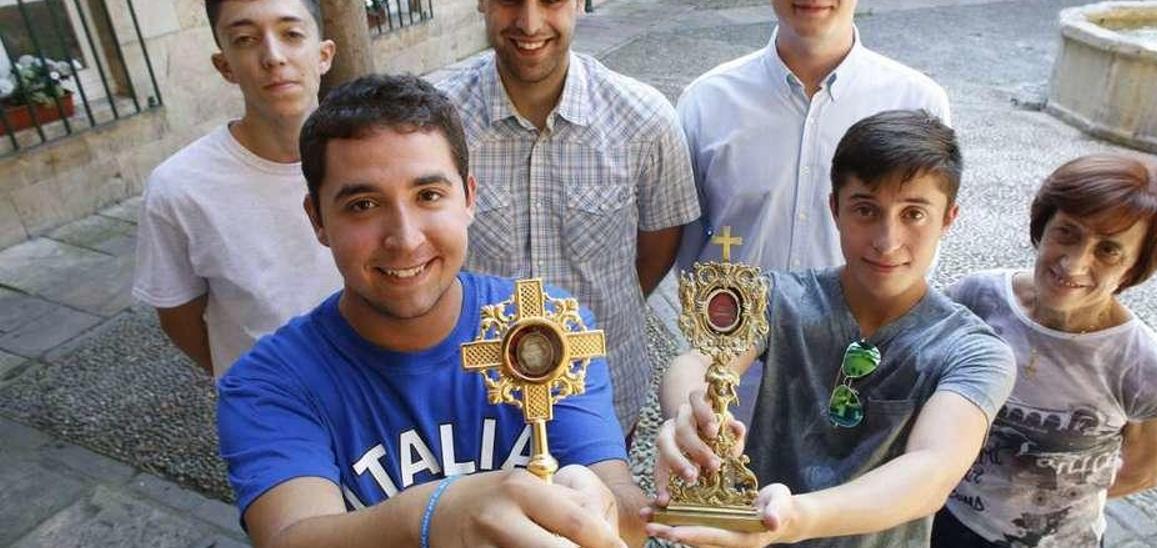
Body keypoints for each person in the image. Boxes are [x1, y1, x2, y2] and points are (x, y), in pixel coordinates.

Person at [216, 74, 646, 547]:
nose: (405, 238)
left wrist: (615, 504)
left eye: (428, 196)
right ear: (317, 219)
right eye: (362, 204)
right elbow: (292, 538)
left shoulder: (545, 328)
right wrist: (431, 517)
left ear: (469, 197)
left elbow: (621, 501)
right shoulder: (271, 382)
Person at [648, 110, 1015, 547]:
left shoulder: (972, 351)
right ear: (834, 208)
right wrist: (689, 414)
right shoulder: (780, 297)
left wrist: (795, 518)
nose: (886, 240)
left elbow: (932, 468)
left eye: (913, 214)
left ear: (948, 219)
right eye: (866, 209)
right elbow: (700, 358)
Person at [436, 0, 700, 432]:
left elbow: (658, 247)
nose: (529, 22)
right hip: (476, 397)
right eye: (508, 0)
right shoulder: (436, 124)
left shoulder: (645, 121)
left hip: (605, 392)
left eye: (552, 0)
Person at [933, 154, 1157, 548]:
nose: (1073, 264)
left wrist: (1052, 506)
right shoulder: (977, 298)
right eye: (1067, 233)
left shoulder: (1146, 369)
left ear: (1135, 266)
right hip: (945, 519)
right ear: (1043, 227)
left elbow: (1145, 471)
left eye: (1108, 250)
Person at [133, 0, 341, 376]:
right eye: (245, 39)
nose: (273, 57)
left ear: (323, 54)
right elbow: (177, 311)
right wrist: (247, 380)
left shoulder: (370, 159)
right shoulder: (180, 188)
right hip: (272, 406)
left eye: (291, 34)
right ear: (224, 64)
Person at [676, 0, 950, 272]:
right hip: (733, 313)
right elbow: (683, 239)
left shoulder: (916, 101)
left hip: (858, 316)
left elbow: (923, 239)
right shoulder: (706, 101)